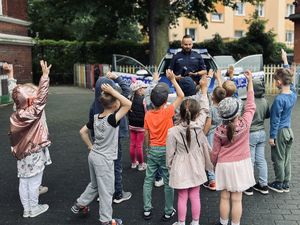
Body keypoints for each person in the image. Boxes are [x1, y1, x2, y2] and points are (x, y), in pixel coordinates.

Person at [71, 83, 132, 225]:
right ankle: (106, 220)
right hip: (104, 160)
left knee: (95, 185)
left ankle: (79, 204)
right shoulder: (112, 119)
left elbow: (82, 132)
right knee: (107, 191)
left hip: (93, 156)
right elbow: (128, 104)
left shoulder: (96, 117)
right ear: (116, 104)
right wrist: (113, 91)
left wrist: (90, 146)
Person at [211, 70, 256, 225]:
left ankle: (223, 223)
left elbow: (215, 153)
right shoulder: (245, 124)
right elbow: (250, 106)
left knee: (224, 197)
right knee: (237, 199)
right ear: (238, 112)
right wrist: (250, 81)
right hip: (241, 164)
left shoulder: (218, 131)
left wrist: (214, 165)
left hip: (224, 165)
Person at [166, 76, 213, 225]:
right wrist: (204, 90)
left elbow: (169, 154)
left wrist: (170, 166)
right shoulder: (199, 125)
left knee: (181, 196)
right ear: (196, 114)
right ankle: (195, 222)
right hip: (196, 162)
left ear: (180, 113)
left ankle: (181, 223)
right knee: (195, 194)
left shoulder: (172, 131)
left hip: (179, 164)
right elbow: (205, 109)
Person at [9, 60, 52, 218]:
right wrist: (45, 76)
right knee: (34, 182)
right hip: (34, 151)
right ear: (30, 100)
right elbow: (41, 100)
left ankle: (27, 209)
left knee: (24, 181)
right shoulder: (32, 113)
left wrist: (10, 76)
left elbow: (14, 92)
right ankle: (33, 208)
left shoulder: (17, 113)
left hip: (21, 153)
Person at [143, 69, 184, 221]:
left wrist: (147, 148)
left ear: (152, 101)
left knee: (148, 180)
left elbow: (146, 134)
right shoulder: (168, 112)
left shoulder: (148, 114)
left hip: (153, 149)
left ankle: (147, 209)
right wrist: (173, 80)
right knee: (168, 181)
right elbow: (181, 96)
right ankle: (168, 211)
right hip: (167, 151)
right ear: (165, 99)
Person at [89, 71, 132, 203]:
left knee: (101, 169)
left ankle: (102, 193)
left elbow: (90, 127)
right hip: (114, 140)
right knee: (116, 166)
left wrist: (93, 142)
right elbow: (128, 91)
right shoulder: (117, 104)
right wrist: (117, 78)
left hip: (99, 143)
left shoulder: (94, 106)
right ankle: (118, 194)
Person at [268, 50, 297, 193]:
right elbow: (291, 80)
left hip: (279, 132)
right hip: (289, 132)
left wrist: (272, 136)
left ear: (279, 82)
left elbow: (275, 120)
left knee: (278, 158)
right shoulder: (293, 94)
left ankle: (279, 183)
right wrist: (285, 59)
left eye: (275, 81)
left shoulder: (279, 99)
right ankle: (286, 182)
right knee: (286, 158)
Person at [244, 79, 270, 196]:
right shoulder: (265, 101)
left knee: (251, 160)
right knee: (261, 159)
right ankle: (263, 185)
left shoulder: (248, 103)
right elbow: (267, 115)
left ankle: (248, 186)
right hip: (261, 133)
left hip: (251, 133)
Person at [204, 70, 226, 191]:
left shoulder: (211, 108)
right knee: (220, 155)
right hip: (222, 132)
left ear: (212, 97)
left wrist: (203, 134)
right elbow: (221, 92)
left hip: (212, 134)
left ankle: (212, 180)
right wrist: (218, 79)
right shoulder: (224, 106)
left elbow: (208, 123)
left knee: (211, 156)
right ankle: (221, 177)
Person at [128, 80, 148, 171]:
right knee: (139, 145)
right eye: (144, 88)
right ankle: (141, 164)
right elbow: (146, 112)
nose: (145, 90)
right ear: (139, 90)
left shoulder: (130, 98)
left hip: (132, 124)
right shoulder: (143, 100)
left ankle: (133, 162)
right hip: (141, 126)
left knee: (132, 144)